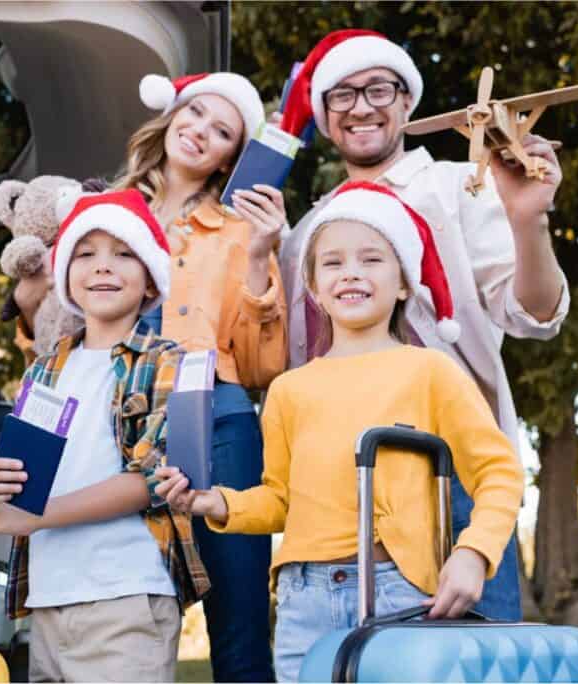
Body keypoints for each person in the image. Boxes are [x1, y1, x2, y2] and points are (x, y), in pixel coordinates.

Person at [157, 181, 525, 681]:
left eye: (371, 259)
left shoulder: (431, 372)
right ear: (313, 288)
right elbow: (280, 501)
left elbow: (499, 472)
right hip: (302, 600)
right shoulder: (289, 390)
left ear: (403, 283)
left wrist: (473, 553)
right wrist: (217, 503)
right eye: (332, 263)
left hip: (400, 588)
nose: (350, 272)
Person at [276, 28, 571, 621]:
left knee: (469, 657)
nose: (361, 106)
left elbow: (534, 315)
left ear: (407, 101)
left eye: (378, 89)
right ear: (325, 115)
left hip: (451, 467)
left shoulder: (457, 186)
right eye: (342, 95)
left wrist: (528, 219)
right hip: (342, 483)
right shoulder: (308, 231)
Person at [12, 71, 287, 682]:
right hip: (111, 418)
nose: (200, 133)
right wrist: (32, 300)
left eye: (223, 132)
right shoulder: (98, 208)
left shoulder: (242, 231)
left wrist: (264, 256)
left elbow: (267, 363)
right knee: (107, 588)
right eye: (195, 114)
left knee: (238, 623)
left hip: (215, 417)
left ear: (229, 161)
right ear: (170, 116)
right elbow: (52, 341)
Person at [0, 189, 209, 682]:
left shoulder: (168, 363)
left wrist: (32, 518)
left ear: (149, 283)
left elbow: (153, 481)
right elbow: (22, 480)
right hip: (49, 599)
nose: (103, 267)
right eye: (86, 253)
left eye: (123, 254)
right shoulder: (44, 370)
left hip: (125, 595)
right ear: (66, 277)